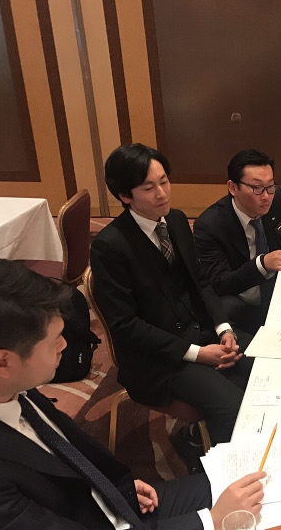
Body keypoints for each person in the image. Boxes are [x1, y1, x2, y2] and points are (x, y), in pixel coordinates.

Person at [0, 256, 266, 529]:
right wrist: (210, 523)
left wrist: (112, 488)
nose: (65, 345)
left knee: (263, 486)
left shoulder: (6, 387)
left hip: (114, 501)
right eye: (54, 341)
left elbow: (60, 452)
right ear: (3, 362)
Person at [90, 144, 252, 469]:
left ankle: (207, 437)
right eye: (148, 187)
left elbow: (200, 282)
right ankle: (217, 472)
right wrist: (197, 353)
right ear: (125, 195)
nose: (162, 193)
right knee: (233, 406)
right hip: (157, 359)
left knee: (272, 365)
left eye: (164, 181)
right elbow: (126, 327)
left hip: (199, 333)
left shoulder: (175, 220)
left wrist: (223, 328)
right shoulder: (110, 246)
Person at [194, 148, 281, 333]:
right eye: (257, 188)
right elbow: (219, 283)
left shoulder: (276, 197)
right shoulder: (210, 225)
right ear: (233, 188)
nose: (266, 196)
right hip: (242, 299)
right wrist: (262, 264)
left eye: (270, 186)